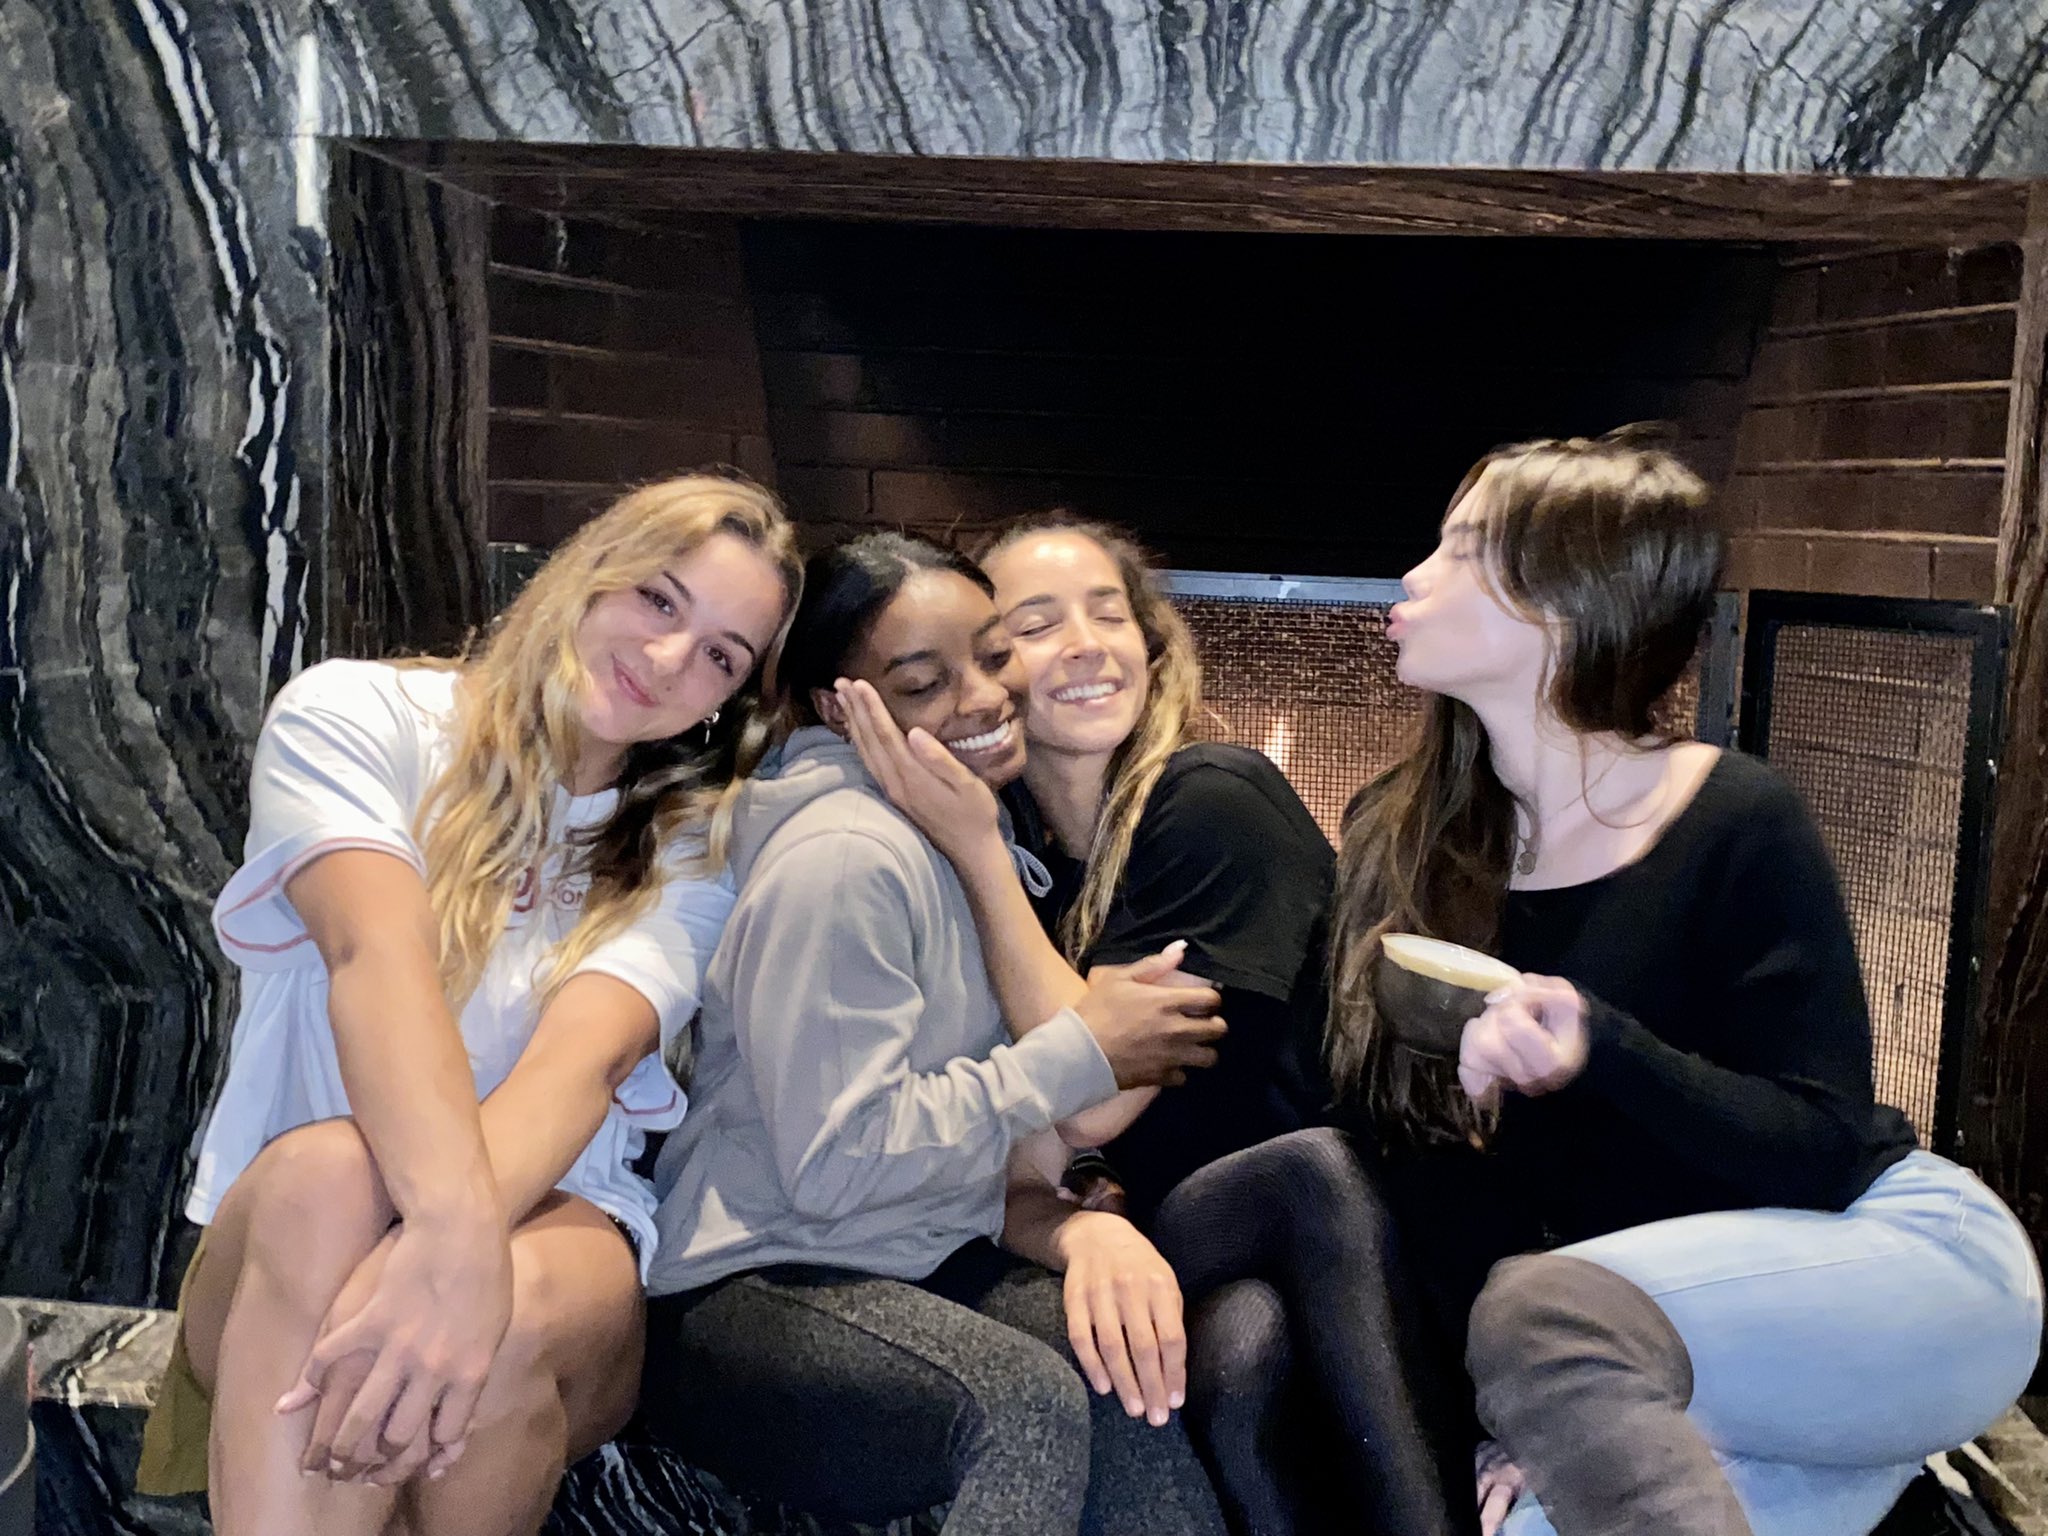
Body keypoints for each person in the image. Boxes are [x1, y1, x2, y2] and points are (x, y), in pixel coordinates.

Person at [1174, 429, 2044, 1536]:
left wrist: (1603, 1052)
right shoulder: (1396, 834)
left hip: (1859, 1267)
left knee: (1545, 1346)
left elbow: (1824, 1150)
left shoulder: (1735, 819)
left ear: (1564, 605)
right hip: (1600, 1339)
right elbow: (1388, 1164)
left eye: (1460, 550)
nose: (1412, 578)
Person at [134, 474, 803, 1536]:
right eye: (658, 598)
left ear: (728, 700)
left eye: (723, 655)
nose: (672, 655)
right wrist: (444, 1246)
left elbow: (578, 1066)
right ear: (589, 570)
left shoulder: (689, 843)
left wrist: (445, 1260)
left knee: (505, 1310)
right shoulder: (356, 714)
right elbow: (376, 960)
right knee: (330, 1177)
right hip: (291, 1249)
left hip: (556, 1220)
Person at [638, 532, 1230, 1536]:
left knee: (1122, 1370)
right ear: (840, 707)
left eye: (993, 656)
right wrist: (1078, 1054)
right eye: (922, 683)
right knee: (1021, 1404)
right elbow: (836, 1165)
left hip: (910, 1258)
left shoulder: (958, 834)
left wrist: (1073, 1219)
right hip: (756, 1287)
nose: (984, 697)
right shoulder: (845, 859)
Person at [832, 517, 1344, 1533]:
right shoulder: (1030, 867)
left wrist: (979, 854)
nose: (1084, 645)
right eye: (1033, 627)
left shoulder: (1208, 802)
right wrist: (1075, 1225)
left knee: (1244, 1327)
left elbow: (1089, 1103)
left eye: (1108, 615)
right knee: (1216, 1345)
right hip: (1175, 1241)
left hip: (1305, 1222)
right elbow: (1021, 1158)